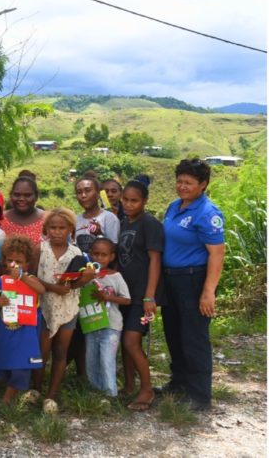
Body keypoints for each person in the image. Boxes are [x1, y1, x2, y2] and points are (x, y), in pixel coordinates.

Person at [159, 158, 225, 412]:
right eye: (179, 181)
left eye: (188, 182)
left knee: (194, 337)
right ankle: (179, 383)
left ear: (203, 184)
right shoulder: (174, 207)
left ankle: (199, 396)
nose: (182, 186)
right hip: (171, 279)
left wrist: (208, 292)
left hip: (193, 279)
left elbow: (217, 254)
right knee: (174, 333)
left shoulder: (207, 213)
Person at [35, 208, 95, 413]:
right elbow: (32, 277)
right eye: (53, 227)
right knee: (42, 352)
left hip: (68, 307)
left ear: (71, 229)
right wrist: (53, 287)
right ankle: (35, 389)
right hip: (44, 306)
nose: (57, 232)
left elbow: (76, 283)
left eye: (62, 228)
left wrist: (83, 280)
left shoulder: (77, 253)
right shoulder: (40, 249)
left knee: (61, 352)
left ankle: (51, 395)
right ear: (46, 229)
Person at [118, 175, 163, 411]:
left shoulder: (150, 224)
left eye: (134, 201)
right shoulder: (125, 223)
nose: (128, 204)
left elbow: (155, 261)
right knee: (125, 342)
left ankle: (147, 390)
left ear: (144, 201)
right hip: (125, 295)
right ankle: (129, 385)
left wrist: (150, 296)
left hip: (143, 298)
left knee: (131, 341)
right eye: (125, 199)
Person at [0, 236, 45, 406]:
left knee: (23, 365)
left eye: (19, 261)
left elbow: (41, 289)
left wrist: (22, 277)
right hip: (5, 331)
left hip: (26, 333)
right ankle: (12, 391)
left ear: (27, 263)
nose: (13, 265)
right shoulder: (0, 282)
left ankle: (7, 399)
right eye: (10, 260)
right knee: (6, 363)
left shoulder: (31, 280)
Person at [84, 238, 131, 398]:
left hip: (111, 326)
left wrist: (107, 298)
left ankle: (111, 395)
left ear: (111, 257)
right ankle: (95, 393)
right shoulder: (86, 275)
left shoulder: (116, 276)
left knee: (107, 360)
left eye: (103, 255)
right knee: (91, 360)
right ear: (90, 254)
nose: (99, 258)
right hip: (91, 324)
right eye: (95, 254)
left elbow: (127, 300)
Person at [74, 173, 120, 253]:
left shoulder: (109, 218)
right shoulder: (74, 220)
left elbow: (114, 249)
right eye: (79, 192)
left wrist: (99, 234)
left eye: (88, 190)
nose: (83, 195)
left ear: (98, 194)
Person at [0, 173, 45, 248]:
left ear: (36, 196)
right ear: (11, 195)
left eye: (27, 195)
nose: (21, 199)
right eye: (17, 195)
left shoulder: (48, 220)